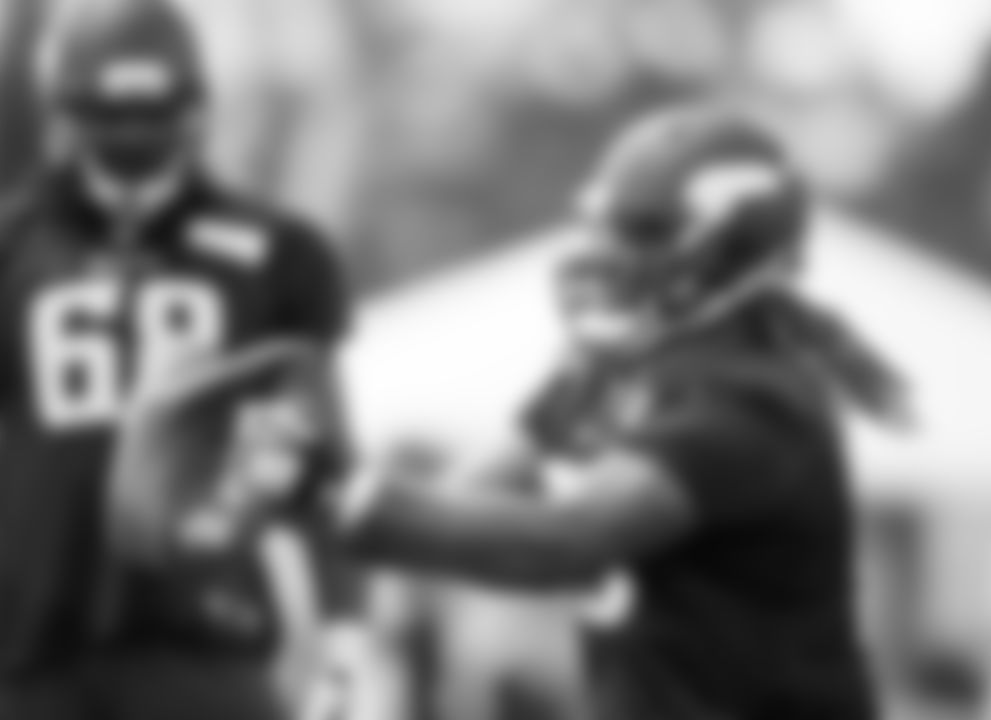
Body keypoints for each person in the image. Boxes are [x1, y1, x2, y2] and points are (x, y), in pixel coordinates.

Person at [292, 105, 907, 720]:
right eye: (605, 225)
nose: (604, 249)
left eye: (642, 231)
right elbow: (465, 503)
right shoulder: (631, 376)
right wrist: (561, 396)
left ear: (727, 248)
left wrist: (337, 493)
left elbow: (567, 542)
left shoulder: (755, 403)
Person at [0, 1, 353, 718]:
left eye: (150, 112)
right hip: (34, 641)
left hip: (204, 633)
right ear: (67, 111)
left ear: (193, 108)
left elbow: (323, 454)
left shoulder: (278, 252)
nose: (131, 133)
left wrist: (347, 623)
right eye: (111, 113)